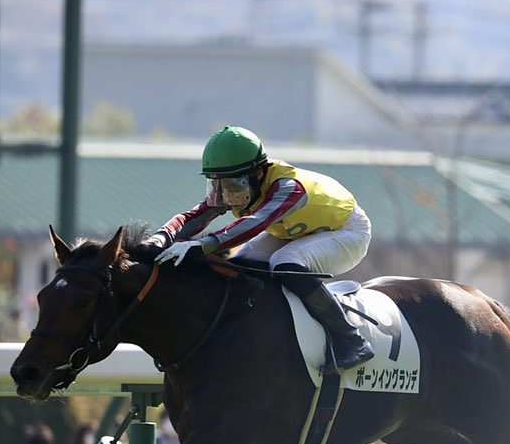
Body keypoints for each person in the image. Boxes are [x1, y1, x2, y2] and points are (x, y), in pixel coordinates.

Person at [135, 125, 375, 371]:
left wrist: (200, 246)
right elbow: (194, 217)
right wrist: (160, 238)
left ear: (259, 173)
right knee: (241, 263)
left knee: (285, 261)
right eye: (216, 183)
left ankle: (350, 340)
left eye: (232, 184)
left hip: (346, 231)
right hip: (297, 230)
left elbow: (253, 224)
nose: (225, 193)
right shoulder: (242, 183)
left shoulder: (288, 188)